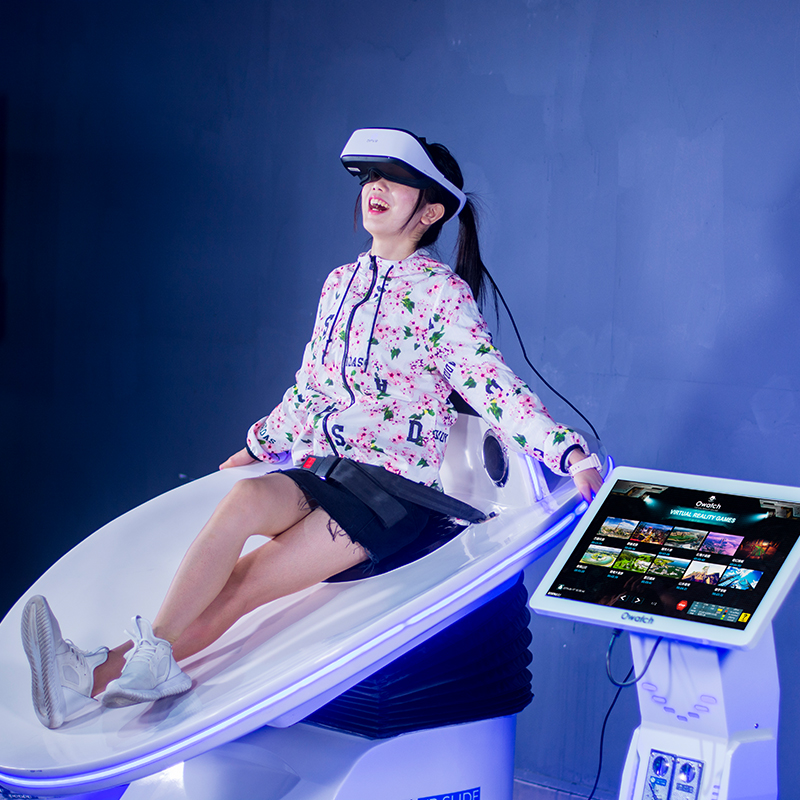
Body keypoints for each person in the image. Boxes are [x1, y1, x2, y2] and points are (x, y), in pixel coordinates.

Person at [21, 127, 603, 730]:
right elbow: (310, 389)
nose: (376, 187)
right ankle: (99, 676)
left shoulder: (441, 294)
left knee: (244, 584)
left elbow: (490, 382)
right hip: (329, 471)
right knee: (244, 500)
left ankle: (98, 674)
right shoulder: (339, 283)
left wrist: (568, 454)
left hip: (393, 496)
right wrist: (256, 445)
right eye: (371, 177)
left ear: (430, 211)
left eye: (397, 180)